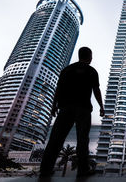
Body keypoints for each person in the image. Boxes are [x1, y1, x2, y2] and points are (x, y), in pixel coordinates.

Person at [40, 47, 104, 177]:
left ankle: (45, 170)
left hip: (65, 108)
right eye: (91, 56)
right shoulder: (91, 71)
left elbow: (58, 89)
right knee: (82, 140)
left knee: (55, 139)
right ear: (89, 56)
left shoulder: (67, 70)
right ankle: (83, 171)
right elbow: (96, 90)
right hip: (83, 109)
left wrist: (54, 106)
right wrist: (101, 107)